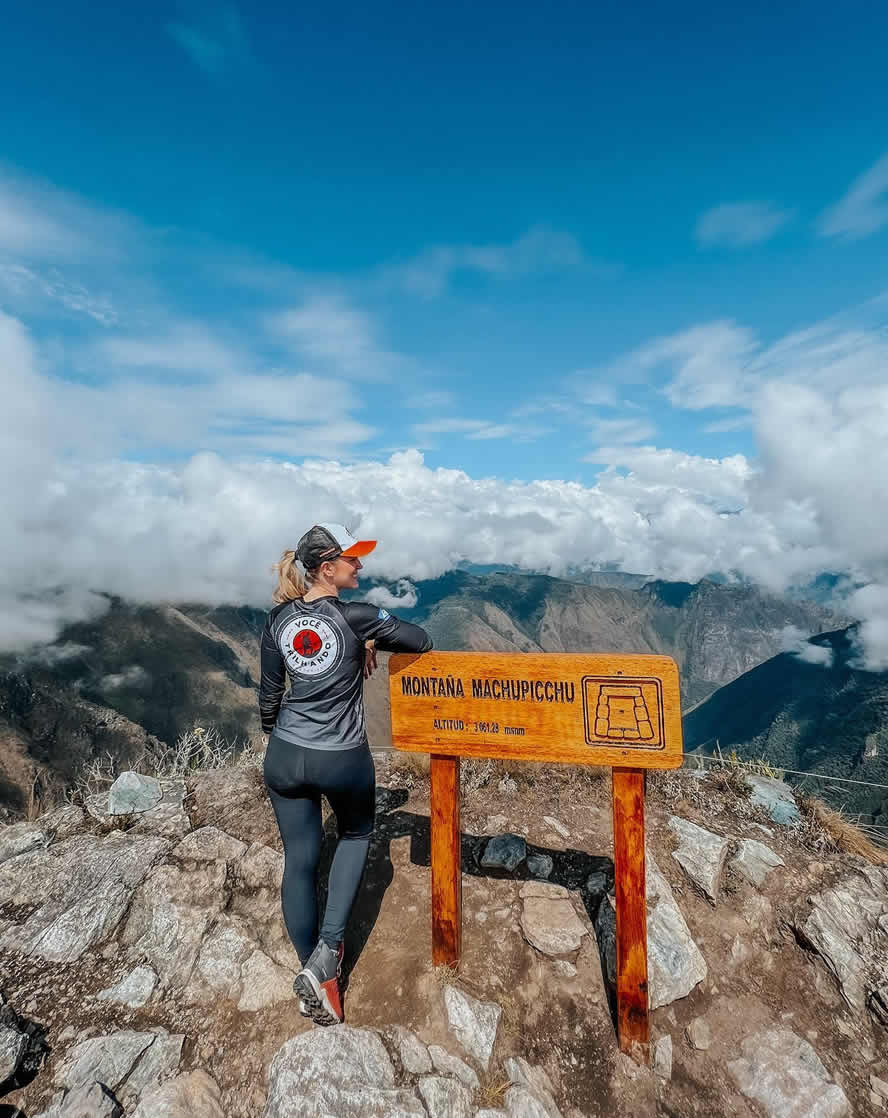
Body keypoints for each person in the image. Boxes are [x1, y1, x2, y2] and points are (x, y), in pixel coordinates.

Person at [259, 523, 432, 1025]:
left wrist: (279, 735)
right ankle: (328, 955)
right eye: (352, 560)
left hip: (285, 754)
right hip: (341, 756)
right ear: (327, 568)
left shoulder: (277, 620)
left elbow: (269, 696)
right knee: (357, 832)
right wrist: (369, 639)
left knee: (300, 860)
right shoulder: (356, 616)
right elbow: (420, 638)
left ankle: (309, 970)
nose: (360, 566)